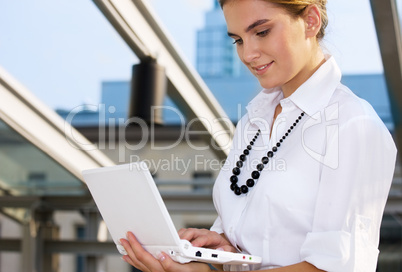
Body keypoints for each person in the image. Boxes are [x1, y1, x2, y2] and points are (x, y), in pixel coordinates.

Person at [120, 0, 398, 271]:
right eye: (238, 40)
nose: (248, 54)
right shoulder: (252, 122)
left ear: (310, 21)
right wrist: (224, 246)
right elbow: (264, 236)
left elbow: (338, 267)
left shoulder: (353, 124)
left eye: (262, 32)